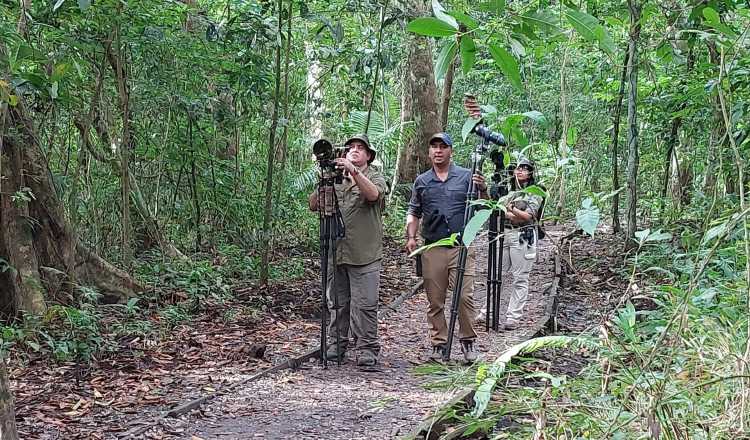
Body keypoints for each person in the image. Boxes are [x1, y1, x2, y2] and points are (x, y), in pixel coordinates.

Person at [405, 133, 488, 363]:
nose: (438, 151)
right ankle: (439, 345)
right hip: (432, 246)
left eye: (443, 147)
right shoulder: (422, 181)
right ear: (429, 152)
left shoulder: (466, 176)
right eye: (434, 147)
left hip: (461, 246)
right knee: (435, 300)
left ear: (451, 150)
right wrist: (411, 236)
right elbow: (414, 211)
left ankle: (468, 341)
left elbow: (483, 206)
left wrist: (483, 189)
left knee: (463, 296)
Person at [308, 134, 387, 367]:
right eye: (351, 147)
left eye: (360, 148)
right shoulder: (334, 177)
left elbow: (373, 195)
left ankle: (367, 348)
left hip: (364, 253)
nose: (355, 150)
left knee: (365, 304)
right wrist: (326, 180)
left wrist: (354, 171)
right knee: (337, 302)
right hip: (336, 250)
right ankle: (337, 344)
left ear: (368, 155)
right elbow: (314, 205)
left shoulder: (373, 176)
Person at [500, 158, 543, 330]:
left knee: (520, 277)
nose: (521, 171)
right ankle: (488, 310)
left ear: (531, 173)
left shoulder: (536, 191)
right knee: (499, 274)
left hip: (524, 235)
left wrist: (510, 210)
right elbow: (498, 210)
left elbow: (529, 216)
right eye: (518, 168)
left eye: (525, 169)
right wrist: (513, 213)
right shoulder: (510, 191)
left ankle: (513, 316)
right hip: (506, 232)